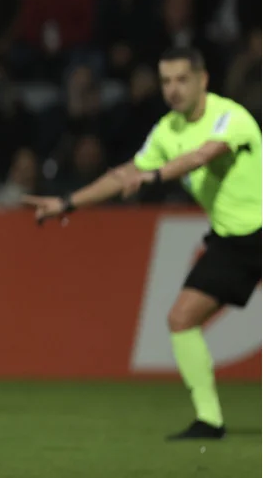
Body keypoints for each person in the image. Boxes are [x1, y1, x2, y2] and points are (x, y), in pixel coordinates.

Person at [24, 47, 261, 441]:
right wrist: (66, 203)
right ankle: (209, 421)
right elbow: (123, 175)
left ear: (203, 80)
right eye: (166, 81)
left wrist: (152, 178)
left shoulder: (229, 116)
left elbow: (201, 157)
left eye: (182, 79)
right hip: (233, 243)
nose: (173, 89)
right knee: (181, 320)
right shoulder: (167, 131)